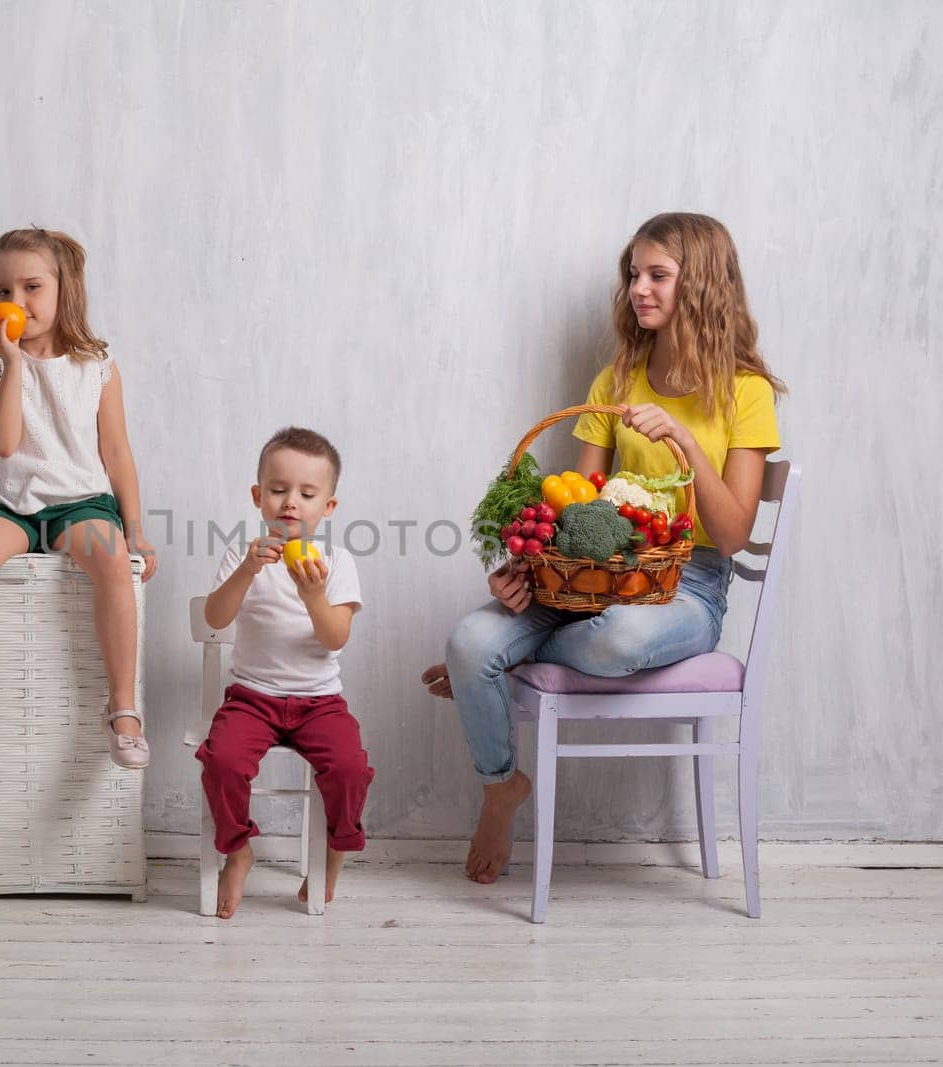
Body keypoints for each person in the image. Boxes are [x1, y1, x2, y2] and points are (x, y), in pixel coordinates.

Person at [421, 213, 785, 884]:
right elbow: (576, 501)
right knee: (471, 640)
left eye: (657, 275)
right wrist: (529, 566)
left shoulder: (746, 392)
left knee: (611, 640)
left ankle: (501, 666)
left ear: (700, 283)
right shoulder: (617, 379)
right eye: (633, 274)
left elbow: (732, 533)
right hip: (591, 579)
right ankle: (501, 783)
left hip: (689, 588)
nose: (638, 288)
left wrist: (682, 438)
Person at [0, 229, 157, 773]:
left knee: (112, 560)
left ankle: (123, 706)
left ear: (65, 290)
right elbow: (5, 443)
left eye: (32, 286)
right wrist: (10, 364)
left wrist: (136, 528)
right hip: (6, 503)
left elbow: (117, 452)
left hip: (80, 502)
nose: (18, 302)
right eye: (4, 290)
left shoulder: (96, 365)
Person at [199, 427, 374, 918]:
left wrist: (314, 596)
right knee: (222, 761)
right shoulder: (243, 555)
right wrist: (246, 572)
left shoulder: (336, 562)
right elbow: (215, 618)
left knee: (350, 768)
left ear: (329, 508)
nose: (290, 503)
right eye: (278, 490)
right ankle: (237, 851)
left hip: (319, 702)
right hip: (252, 698)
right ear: (259, 497)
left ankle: (333, 852)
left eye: (306, 493)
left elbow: (335, 637)